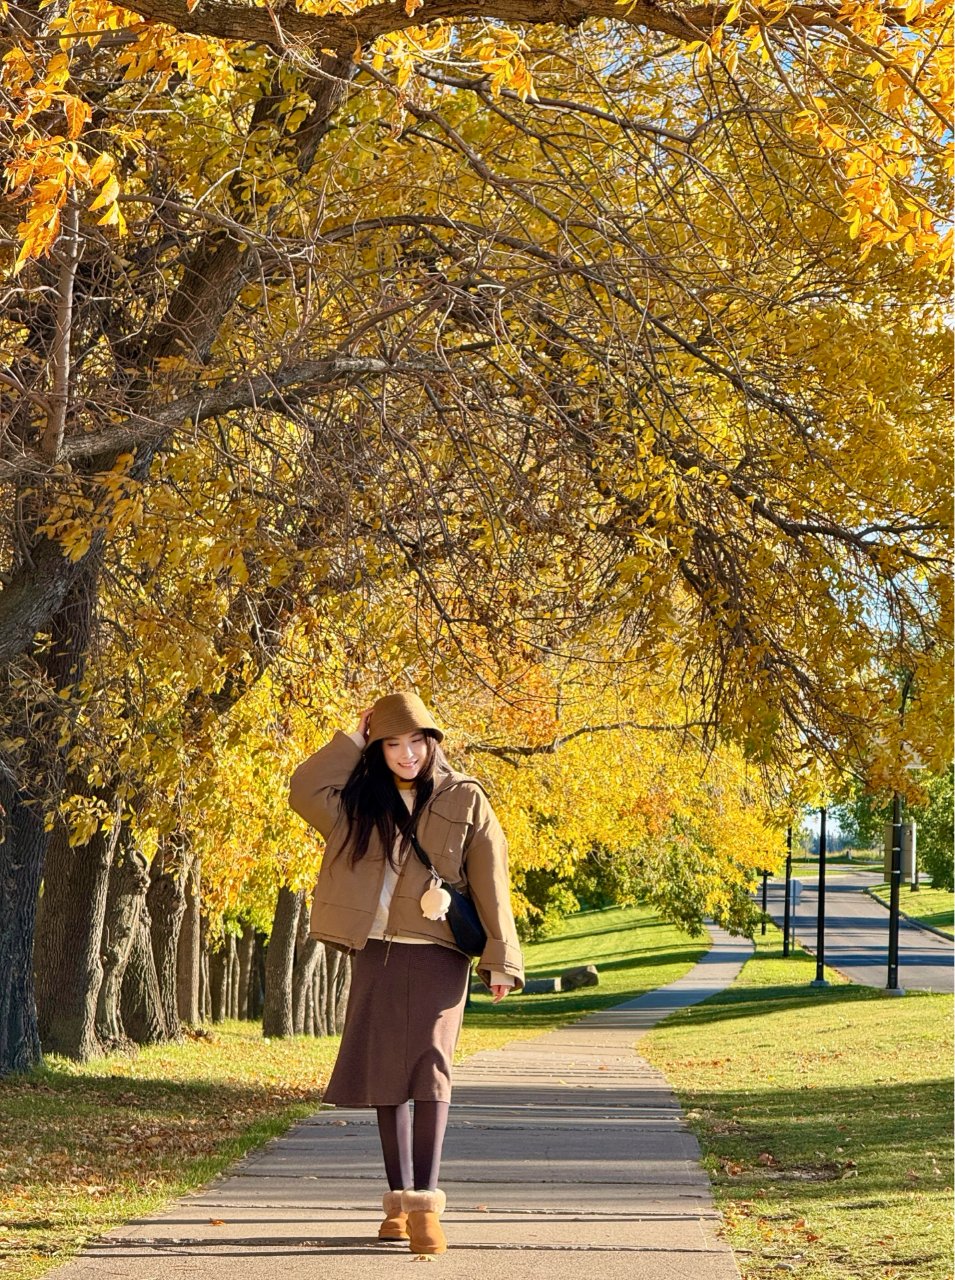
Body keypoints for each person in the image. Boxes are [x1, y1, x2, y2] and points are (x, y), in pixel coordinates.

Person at [288, 691, 524, 1255]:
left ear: (432, 741)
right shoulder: (356, 802)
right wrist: (352, 734)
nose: (406, 754)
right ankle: (398, 1203)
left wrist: (500, 959)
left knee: (431, 1069)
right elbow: (302, 790)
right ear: (378, 748)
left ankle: (425, 1206)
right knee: (386, 1079)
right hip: (376, 950)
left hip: (440, 952)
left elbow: (493, 882)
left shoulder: (466, 797)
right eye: (391, 744)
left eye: (415, 741)